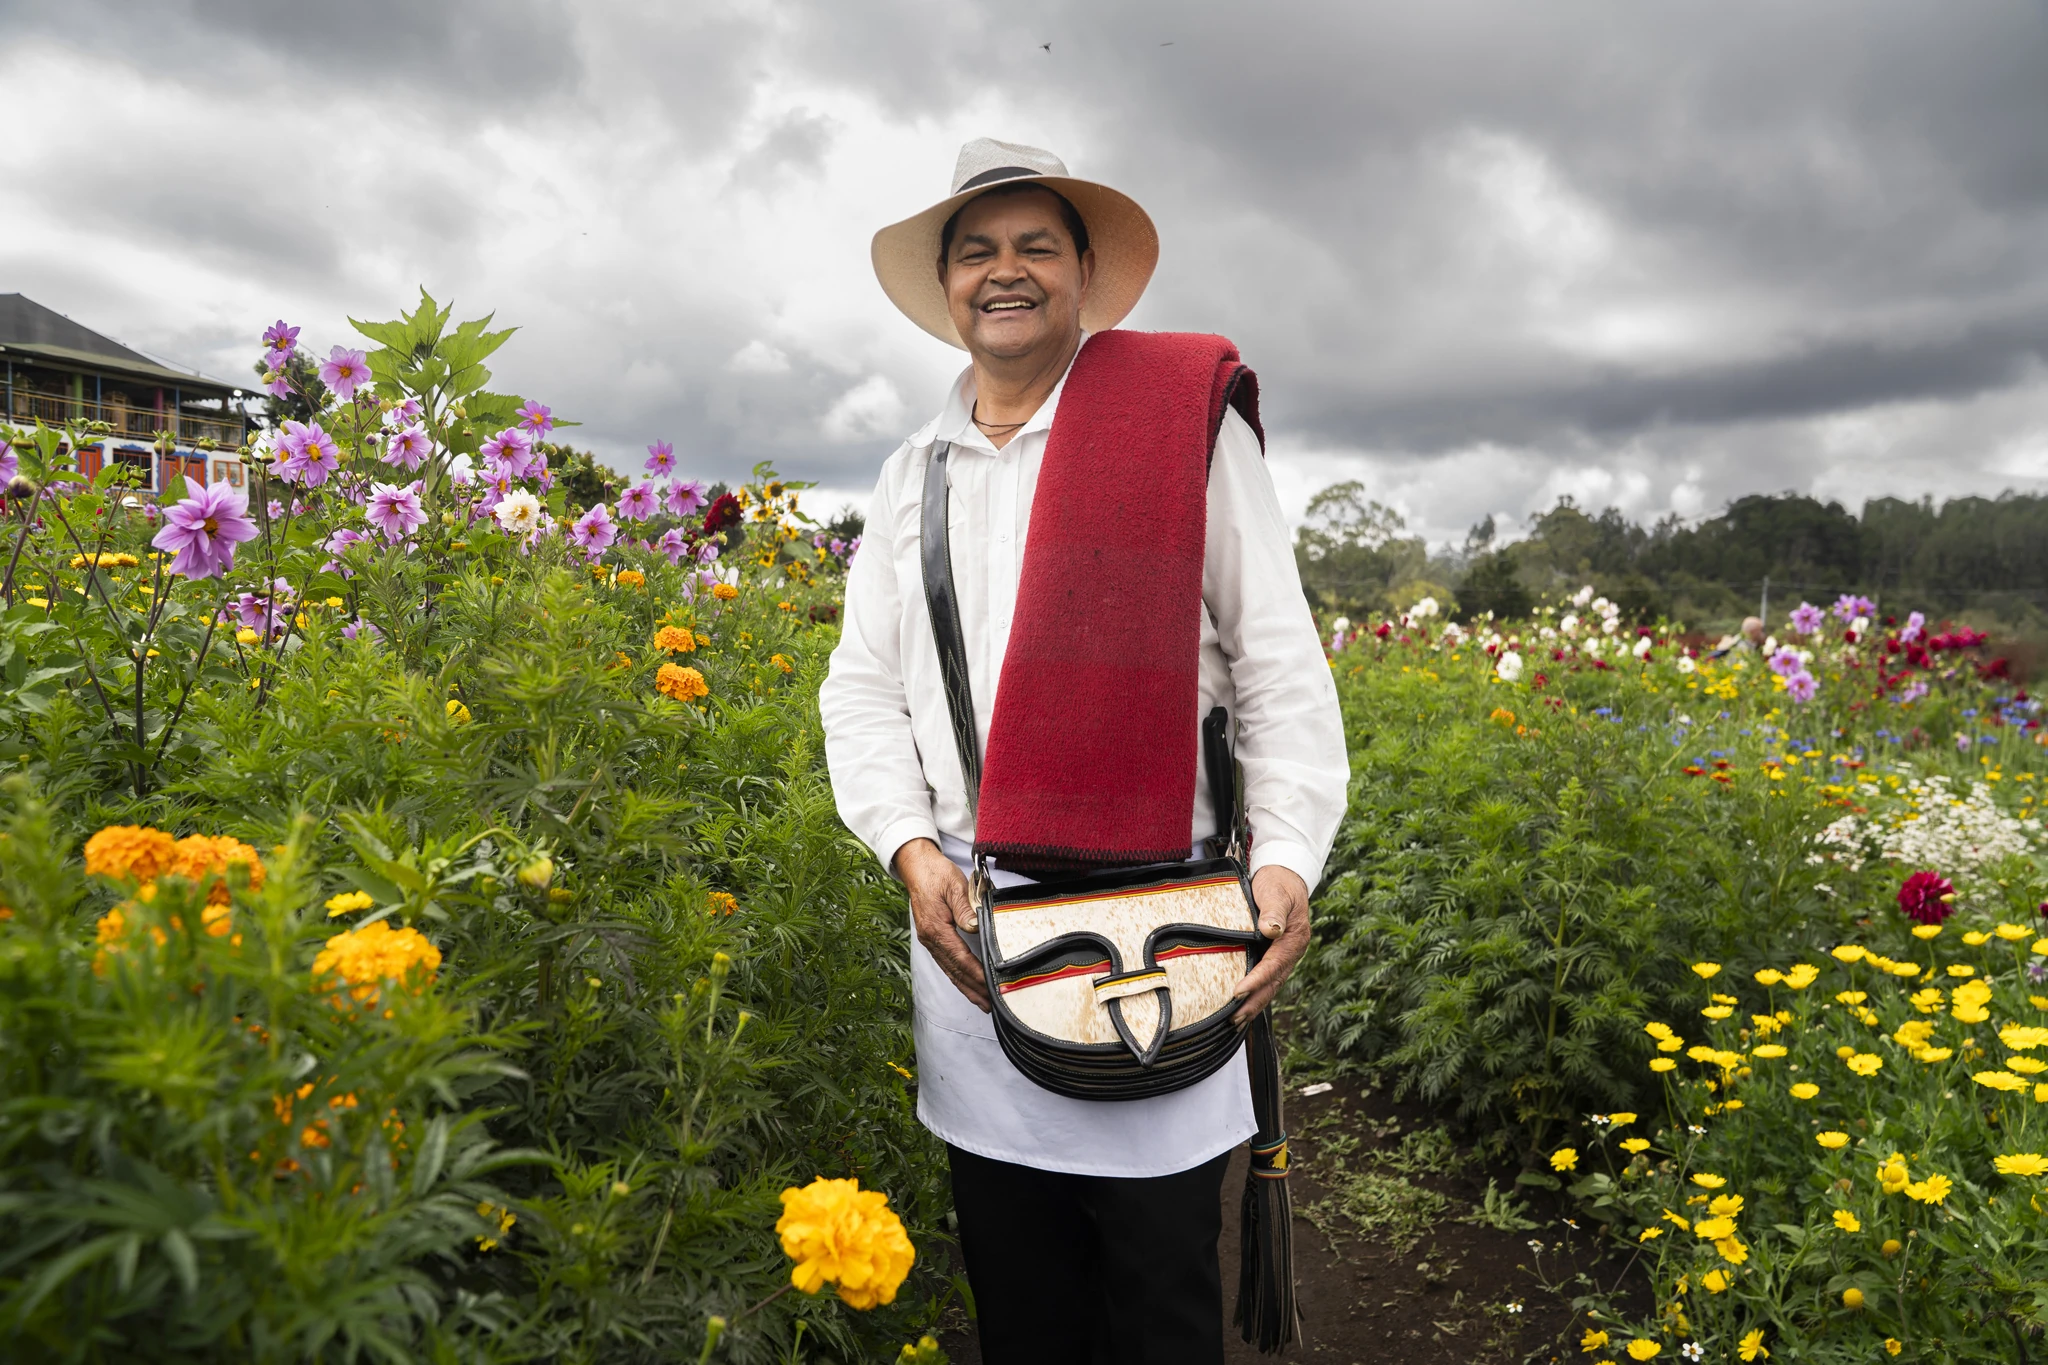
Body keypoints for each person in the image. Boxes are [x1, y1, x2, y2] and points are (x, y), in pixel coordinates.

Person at [820, 138, 1348, 1364]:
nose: (1003, 272)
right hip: (978, 929)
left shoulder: (1178, 435)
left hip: (1168, 921)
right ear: (948, 286)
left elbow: (1277, 664)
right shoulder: (911, 479)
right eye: (975, 251)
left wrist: (1288, 859)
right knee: (1018, 1289)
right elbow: (861, 695)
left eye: (1033, 246)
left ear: (1080, 272)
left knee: (1160, 1291)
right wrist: (905, 849)